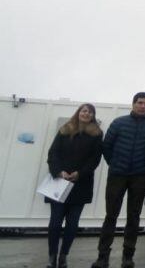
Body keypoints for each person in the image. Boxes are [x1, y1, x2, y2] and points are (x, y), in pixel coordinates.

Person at [92, 92, 145, 268]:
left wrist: (143, 164)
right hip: (117, 175)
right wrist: (114, 164)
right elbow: (106, 146)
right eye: (140, 102)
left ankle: (128, 256)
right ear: (133, 103)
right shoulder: (119, 123)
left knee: (133, 216)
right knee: (111, 216)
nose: (143, 106)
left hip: (140, 176)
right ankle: (102, 256)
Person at [46, 104, 103, 268]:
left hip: (80, 185)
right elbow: (53, 154)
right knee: (55, 223)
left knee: (72, 224)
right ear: (78, 113)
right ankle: (52, 257)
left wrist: (79, 173)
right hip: (60, 184)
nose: (86, 114)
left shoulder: (97, 134)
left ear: (93, 116)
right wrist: (58, 172)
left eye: (90, 112)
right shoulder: (65, 130)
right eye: (84, 111)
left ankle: (63, 256)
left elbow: (95, 159)